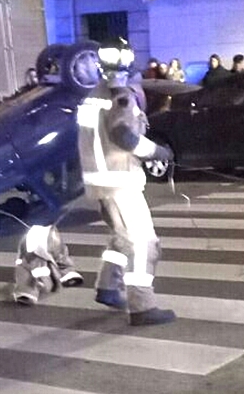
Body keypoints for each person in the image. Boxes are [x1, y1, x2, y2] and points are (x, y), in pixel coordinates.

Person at [77, 37, 176, 326]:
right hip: (119, 182)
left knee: (122, 238)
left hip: (100, 183)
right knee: (144, 242)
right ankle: (142, 306)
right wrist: (157, 151)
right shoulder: (121, 96)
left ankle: (108, 288)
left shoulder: (92, 95)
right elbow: (123, 135)